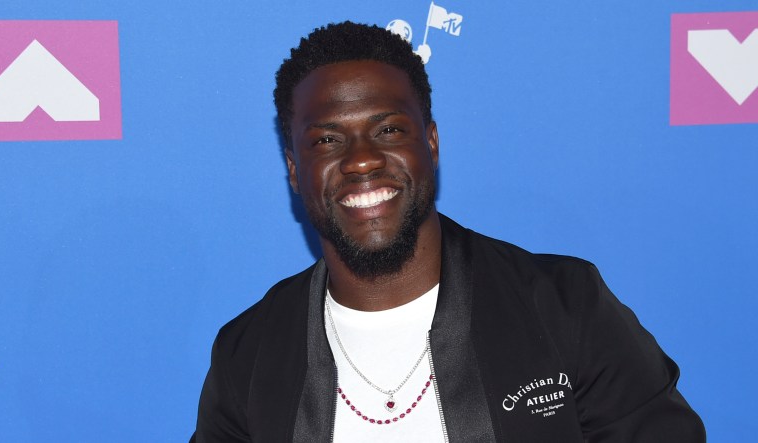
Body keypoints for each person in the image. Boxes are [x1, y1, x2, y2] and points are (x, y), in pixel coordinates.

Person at [192, 21, 705, 442]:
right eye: (327, 139)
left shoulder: (564, 305)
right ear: (293, 170)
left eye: (388, 129)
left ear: (431, 144)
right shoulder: (248, 353)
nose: (362, 159)